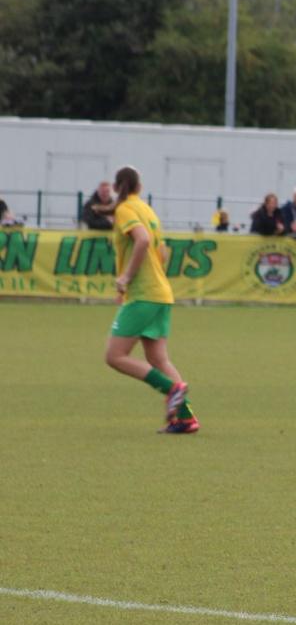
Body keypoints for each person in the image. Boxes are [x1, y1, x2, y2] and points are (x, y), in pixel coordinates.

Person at [103, 166, 199, 434]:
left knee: (114, 356)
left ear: (116, 186)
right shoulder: (147, 210)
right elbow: (162, 252)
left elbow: (142, 240)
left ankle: (172, 390)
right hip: (161, 293)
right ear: (139, 187)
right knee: (158, 358)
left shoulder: (124, 210)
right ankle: (185, 417)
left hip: (144, 294)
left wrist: (125, 278)